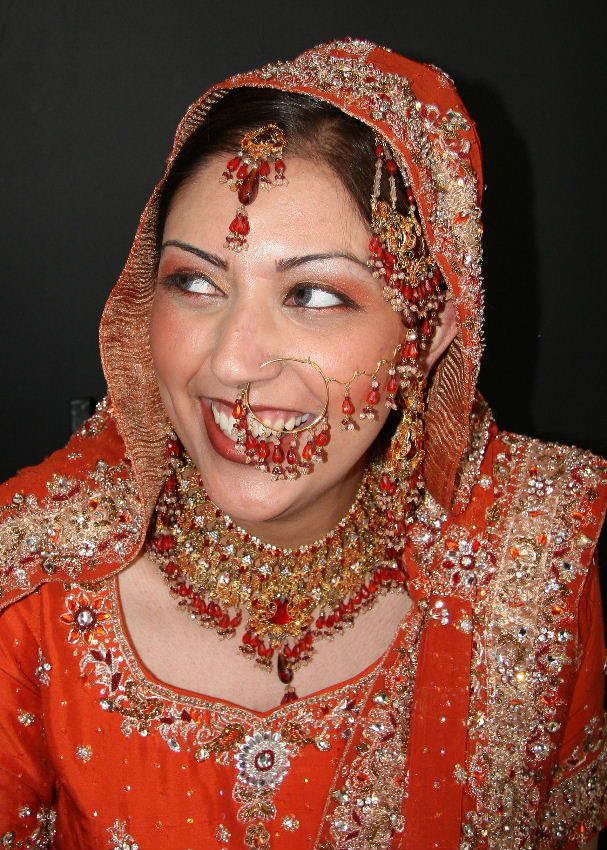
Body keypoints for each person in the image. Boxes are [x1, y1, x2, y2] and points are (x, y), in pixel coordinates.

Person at [0, 37, 605, 850]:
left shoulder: (533, 564)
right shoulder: (30, 588)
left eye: (314, 294)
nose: (230, 363)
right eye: (194, 282)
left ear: (430, 333)